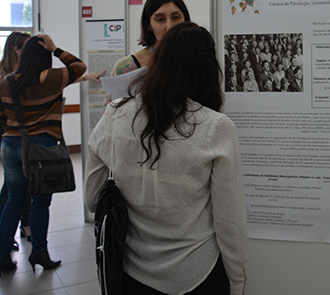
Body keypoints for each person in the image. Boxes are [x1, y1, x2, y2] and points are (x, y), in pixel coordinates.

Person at [85, 22, 248, 295]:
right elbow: (229, 221)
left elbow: (92, 199)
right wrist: (238, 281)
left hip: (131, 273)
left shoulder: (114, 114)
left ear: (157, 62)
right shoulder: (216, 127)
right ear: (208, 68)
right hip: (197, 271)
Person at [0, 35, 87, 275]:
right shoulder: (53, 78)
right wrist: (56, 48)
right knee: (41, 202)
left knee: (15, 199)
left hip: (9, 144)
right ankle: (39, 253)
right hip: (40, 147)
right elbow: (79, 67)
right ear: (45, 55)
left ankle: (2, 254)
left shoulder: (7, 81)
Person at [0, 32, 31, 248]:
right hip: (8, 136)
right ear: (16, 49)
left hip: (28, 135)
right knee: (11, 185)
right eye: (27, 46)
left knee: (30, 182)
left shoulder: (29, 70)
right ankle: (7, 233)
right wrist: (9, 94)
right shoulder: (0, 73)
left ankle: (26, 224)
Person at [103, 0, 190, 105]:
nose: (169, 26)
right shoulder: (127, 66)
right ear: (148, 25)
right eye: (160, 19)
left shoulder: (197, 59)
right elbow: (110, 111)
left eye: (176, 17)